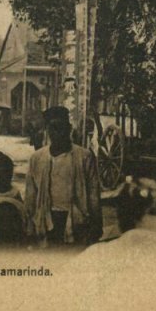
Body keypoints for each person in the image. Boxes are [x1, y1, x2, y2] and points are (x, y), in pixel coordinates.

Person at [24, 106, 102, 248]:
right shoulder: (37, 158)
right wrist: (29, 227)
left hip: (76, 221)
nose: (57, 132)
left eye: (61, 127)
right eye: (53, 128)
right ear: (48, 130)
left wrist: (97, 224)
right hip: (46, 221)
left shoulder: (84, 157)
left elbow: (93, 194)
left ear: (69, 128)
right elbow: (30, 195)